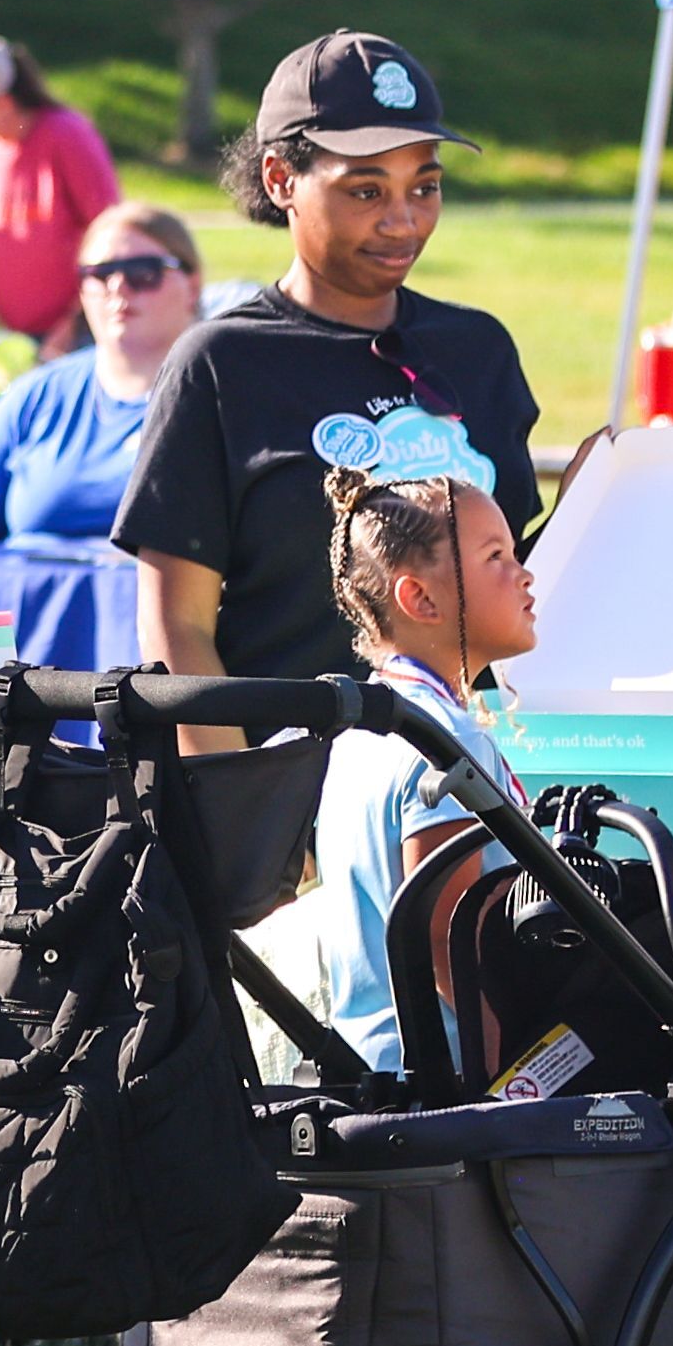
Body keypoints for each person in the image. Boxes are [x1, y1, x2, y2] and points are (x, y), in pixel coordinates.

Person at [122, 33, 545, 685]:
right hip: (286, 774)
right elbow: (177, 627)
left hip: (465, 772)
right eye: (367, 191)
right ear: (280, 179)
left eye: (425, 186)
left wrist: (604, 498)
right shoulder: (221, 365)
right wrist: (233, 782)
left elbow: (511, 580)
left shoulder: (477, 350)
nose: (403, 221)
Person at [251, 425, 543, 1074]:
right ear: (420, 597)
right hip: (442, 1084)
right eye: (496, 555)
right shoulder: (442, 738)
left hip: (370, 1066)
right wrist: (506, 1085)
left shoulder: (361, 729)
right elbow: (445, 933)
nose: (524, 573)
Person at [0, 203, 200, 545]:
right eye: (100, 274)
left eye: (144, 272)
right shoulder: (39, 394)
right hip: (30, 595)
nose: (118, 288)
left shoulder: (225, 397)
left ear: (194, 285)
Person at [0, 36, 125, 354]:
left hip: (81, 337)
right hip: (15, 339)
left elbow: (114, 242)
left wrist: (72, 327)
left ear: (1, 102)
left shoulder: (67, 135)